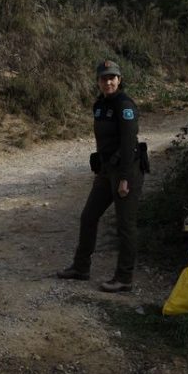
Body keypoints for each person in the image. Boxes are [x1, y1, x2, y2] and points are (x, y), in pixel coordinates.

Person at [57, 59, 145, 293]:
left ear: (119, 79)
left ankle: (124, 277)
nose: (108, 82)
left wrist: (125, 177)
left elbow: (128, 142)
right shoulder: (99, 105)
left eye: (112, 77)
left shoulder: (124, 105)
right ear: (98, 81)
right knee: (88, 216)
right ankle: (80, 267)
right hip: (107, 171)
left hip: (127, 170)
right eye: (104, 78)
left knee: (125, 225)